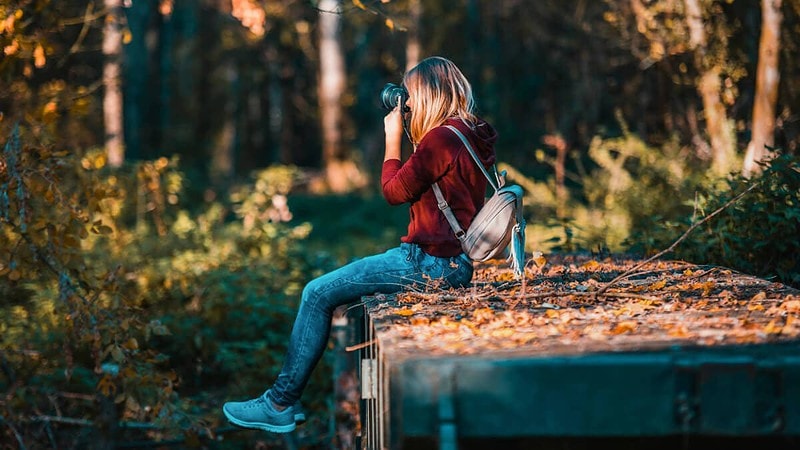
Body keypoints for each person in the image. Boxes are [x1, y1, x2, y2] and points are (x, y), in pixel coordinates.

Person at [222, 56, 497, 433]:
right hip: (455, 263)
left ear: (430, 94)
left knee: (316, 293)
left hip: (428, 263)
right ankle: (281, 401)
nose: (409, 104)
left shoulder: (441, 139)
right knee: (332, 289)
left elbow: (393, 192)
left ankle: (279, 403)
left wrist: (391, 139)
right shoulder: (472, 132)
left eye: (412, 95)